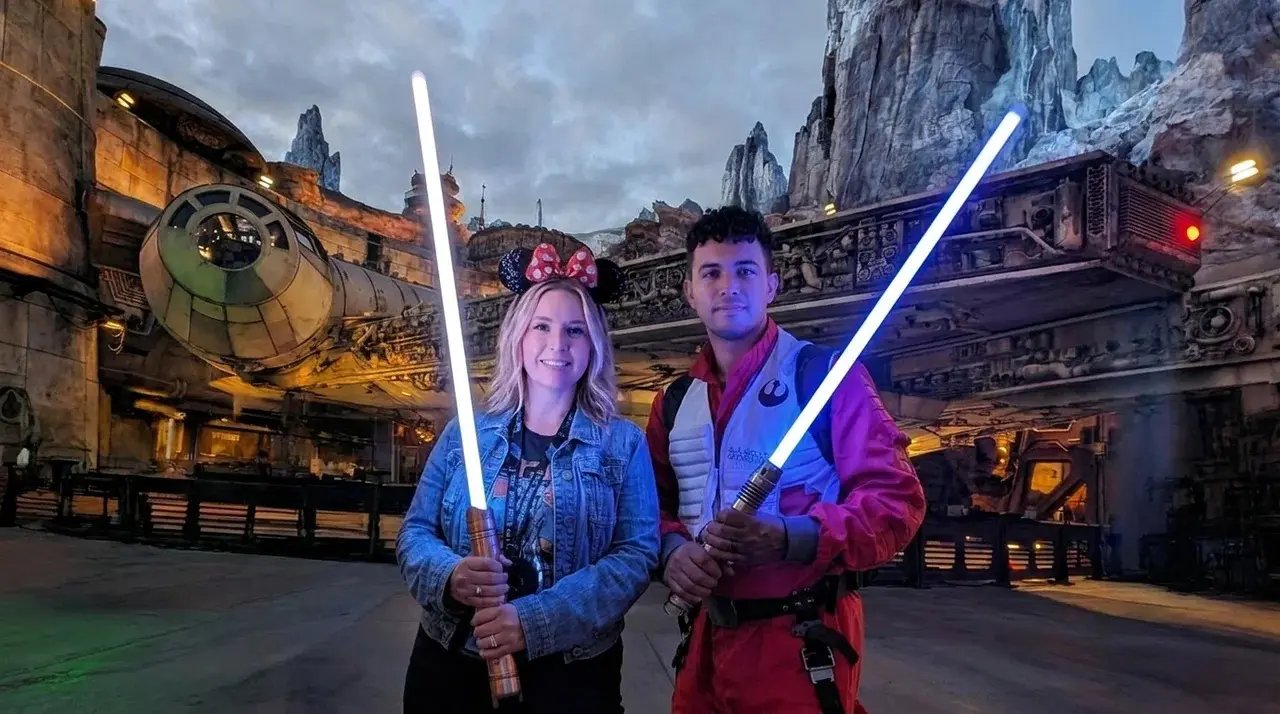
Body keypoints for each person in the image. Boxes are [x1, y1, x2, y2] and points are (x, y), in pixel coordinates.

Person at [647, 206, 927, 714]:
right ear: (689, 290)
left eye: (745, 271)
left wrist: (792, 537)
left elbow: (896, 503)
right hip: (704, 644)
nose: (728, 286)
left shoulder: (825, 379)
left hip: (800, 645)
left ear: (772, 285)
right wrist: (672, 552)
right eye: (710, 272)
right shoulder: (673, 403)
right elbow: (650, 507)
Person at [397, 243, 659, 713]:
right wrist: (450, 575)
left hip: (571, 678)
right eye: (542, 326)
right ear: (518, 336)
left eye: (574, 331)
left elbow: (635, 557)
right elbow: (416, 532)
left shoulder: (623, 444)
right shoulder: (467, 435)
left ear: (594, 344)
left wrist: (534, 621)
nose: (557, 344)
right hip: (448, 666)